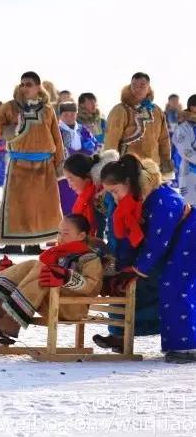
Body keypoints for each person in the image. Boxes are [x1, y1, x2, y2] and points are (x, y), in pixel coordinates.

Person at [98, 154, 196, 363]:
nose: (114, 198)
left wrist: (137, 270)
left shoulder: (162, 200)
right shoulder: (135, 200)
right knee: (154, 286)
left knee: (174, 286)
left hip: (190, 236)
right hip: (176, 243)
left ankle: (186, 347)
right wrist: (122, 268)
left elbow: (156, 242)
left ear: (127, 182)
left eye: (115, 192)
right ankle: (125, 335)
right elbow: (130, 239)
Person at [0, 214, 104, 341]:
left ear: (81, 235)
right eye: (59, 233)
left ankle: (10, 320)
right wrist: (12, 270)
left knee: (42, 272)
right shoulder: (58, 254)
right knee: (34, 265)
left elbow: (91, 286)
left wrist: (66, 277)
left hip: (73, 308)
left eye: (66, 233)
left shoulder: (90, 258)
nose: (60, 237)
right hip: (52, 301)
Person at [0, 71, 64, 255]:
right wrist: (13, 129)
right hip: (19, 164)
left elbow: (57, 137)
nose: (25, 87)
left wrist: (59, 163)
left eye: (29, 84)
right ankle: (13, 242)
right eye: (22, 84)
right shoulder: (10, 107)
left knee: (39, 206)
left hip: (44, 165)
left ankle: (34, 243)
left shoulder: (47, 110)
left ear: (38, 87)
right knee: (17, 205)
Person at [104, 72, 173, 178]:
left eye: (142, 85)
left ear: (149, 88)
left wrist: (166, 163)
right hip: (127, 168)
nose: (137, 88)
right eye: (134, 85)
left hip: (153, 168)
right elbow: (111, 141)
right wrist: (111, 167)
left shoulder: (156, 111)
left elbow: (164, 140)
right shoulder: (120, 110)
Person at [62, 151, 119, 239]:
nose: (69, 185)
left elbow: (112, 229)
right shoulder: (89, 195)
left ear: (87, 176)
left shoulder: (103, 197)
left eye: (71, 179)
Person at [57, 102, 100, 214]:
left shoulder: (82, 129)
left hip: (82, 169)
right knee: (66, 199)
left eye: (72, 114)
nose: (69, 117)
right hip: (64, 171)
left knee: (83, 199)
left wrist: (90, 147)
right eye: (66, 114)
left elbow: (94, 144)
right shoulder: (57, 131)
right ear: (60, 115)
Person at [173, 94, 196, 204]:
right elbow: (186, 152)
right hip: (190, 172)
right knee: (190, 205)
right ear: (192, 107)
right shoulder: (184, 127)